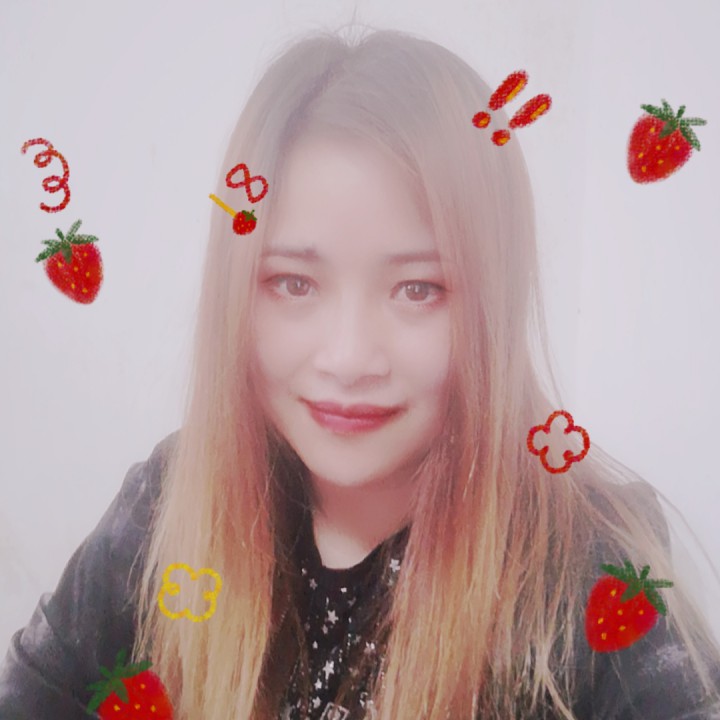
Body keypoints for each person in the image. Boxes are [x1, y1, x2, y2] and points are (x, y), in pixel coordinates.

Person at [1, 25, 719, 720]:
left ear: (493, 306)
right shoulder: (171, 505)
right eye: (293, 283)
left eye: (419, 289)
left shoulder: (587, 567)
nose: (347, 358)